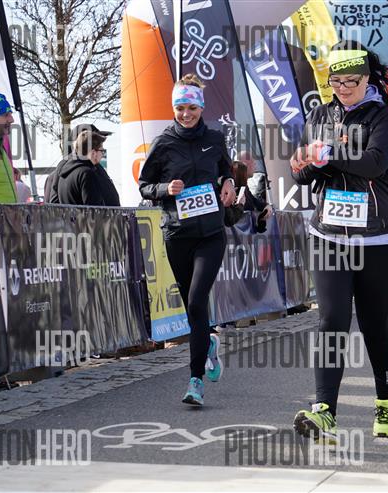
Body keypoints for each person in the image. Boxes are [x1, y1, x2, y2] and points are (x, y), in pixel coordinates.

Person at [290, 42, 388, 441]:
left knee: (373, 325)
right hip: (329, 235)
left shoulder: (384, 116)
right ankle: (325, 411)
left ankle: (386, 401)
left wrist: (330, 154)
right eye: (335, 81)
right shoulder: (319, 115)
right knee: (331, 319)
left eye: (350, 81)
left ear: (366, 78)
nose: (342, 88)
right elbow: (302, 175)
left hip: (379, 238)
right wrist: (308, 162)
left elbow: (375, 164)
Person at [138, 74, 236, 406]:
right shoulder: (164, 143)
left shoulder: (215, 138)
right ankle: (208, 342)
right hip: (178, 234)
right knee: (193, 310)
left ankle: (195, 381)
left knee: (196, 302)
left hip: (210, 234)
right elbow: (144, 185)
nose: (186, 114)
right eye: (180, 107)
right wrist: (165, 189)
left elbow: (225, 170)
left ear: (201, 108)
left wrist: (228, 183)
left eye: (191, 107)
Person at [45, 123, 114, 203]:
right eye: (94, 141)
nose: (102, 151)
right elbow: (54, 205)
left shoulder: (92, 166)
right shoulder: (84, 171)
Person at [56, 130, 120, 206]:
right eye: (102, 151)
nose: (103, 154)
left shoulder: (64, 173)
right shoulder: (86, 173)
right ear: (93, 153)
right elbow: (94, 209)